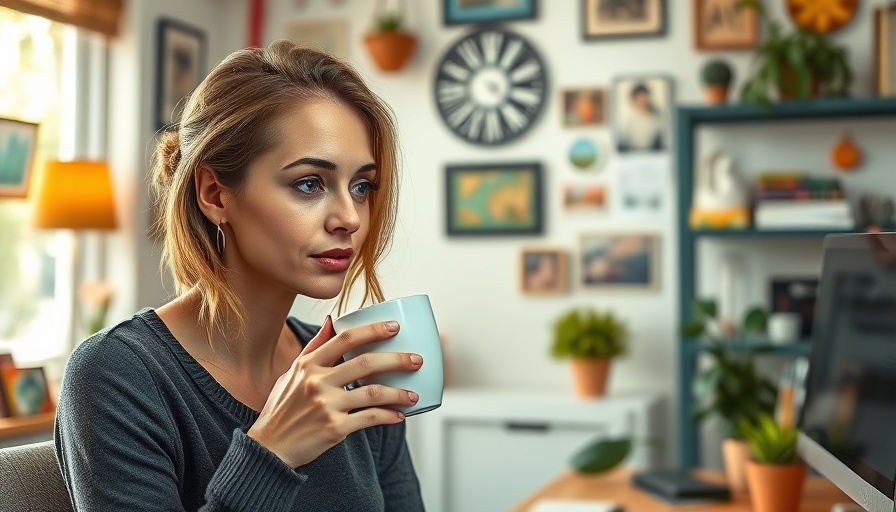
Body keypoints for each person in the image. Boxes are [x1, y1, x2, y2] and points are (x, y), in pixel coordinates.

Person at [54, 39, 426, 511]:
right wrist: (272, 453)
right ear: (215, 194)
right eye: (309, 184)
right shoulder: (119, 376)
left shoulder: (352, 370)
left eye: (362, 186)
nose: (349, 217)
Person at [615, 82, 664, 152]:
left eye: (644, 97)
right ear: (634, 101)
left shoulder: (658, 120)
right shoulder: (628, 123)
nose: (642, 101)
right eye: (639, 99)